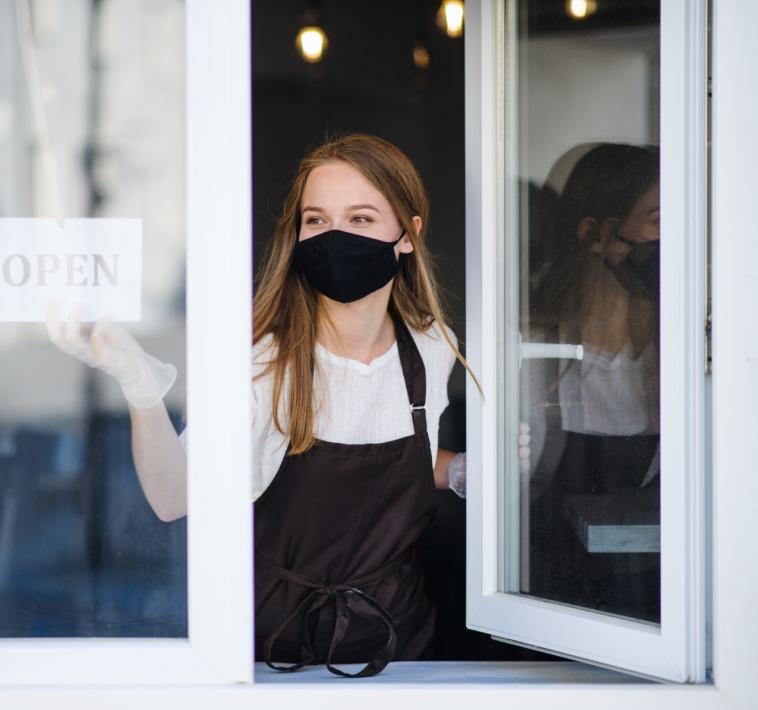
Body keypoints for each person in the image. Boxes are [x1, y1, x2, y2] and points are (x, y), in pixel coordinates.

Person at [46, 133, 477, 676]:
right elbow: (173, 496)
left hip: (399, 649)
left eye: (361, 219)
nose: (334, 236)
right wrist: (142, 387)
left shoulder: (432, 348)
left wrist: (462, 469)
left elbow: (399, 456)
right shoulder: (262, 361)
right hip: (279, 658)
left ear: (408, 235)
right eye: (316, 220)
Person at [524, 143, 660, 622]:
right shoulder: (534, 351)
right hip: (552, 609)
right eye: (659, 220)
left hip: (660, 611)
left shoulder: (683, 354)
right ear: (595, 236)